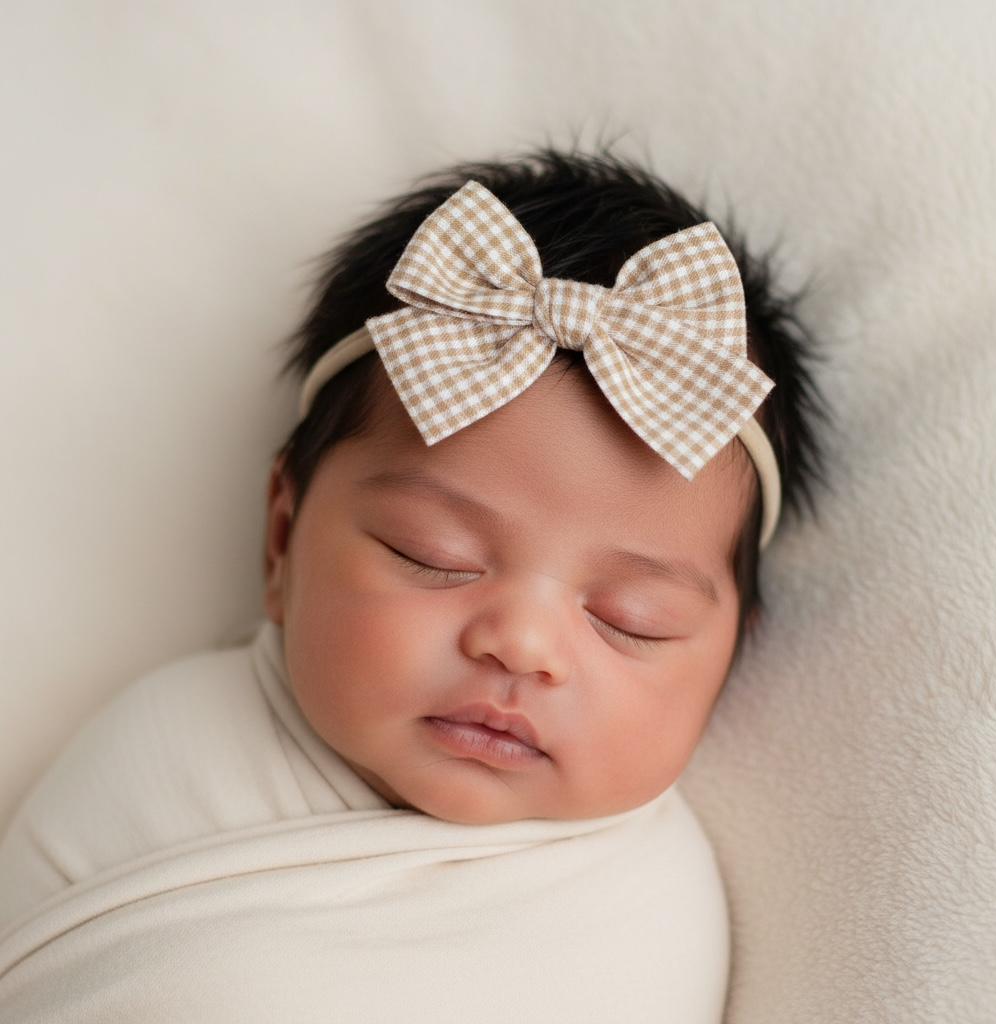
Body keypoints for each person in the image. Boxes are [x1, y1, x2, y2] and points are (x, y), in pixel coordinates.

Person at [0, 150, 823, 1023]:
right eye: (432, 554)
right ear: (282, 540)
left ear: (734, 653)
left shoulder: (653, 914)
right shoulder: (162, 745)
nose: (523, 643)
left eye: (632, 621)